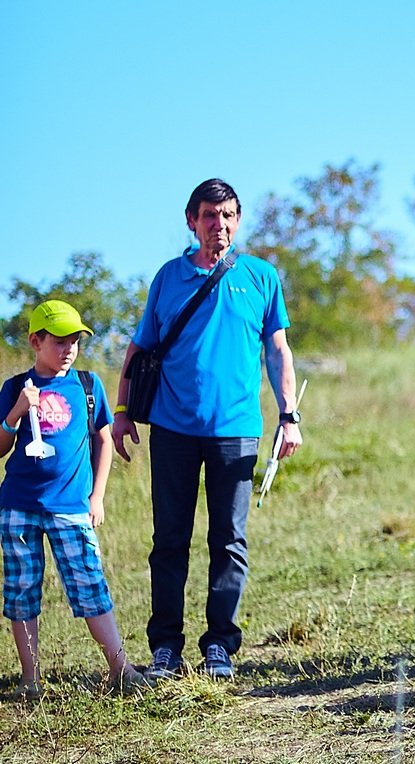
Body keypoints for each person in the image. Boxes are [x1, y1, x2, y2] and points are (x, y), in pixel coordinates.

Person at [113, 179, 303, 680]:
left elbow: (278, 350)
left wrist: (290, 416)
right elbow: (139, 349)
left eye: (227, 216)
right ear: (191, 221)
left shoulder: (261, 277)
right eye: (208, 215)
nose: (217, 225)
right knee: (169, 540)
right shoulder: (169, 277)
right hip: (173, 429)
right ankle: (165, 649)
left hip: (237, 429)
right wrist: (122, 411)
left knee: (230, 541)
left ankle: (220, 644)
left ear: (237, 221)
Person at [1, 300, 147, 696]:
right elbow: (0, 447)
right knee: (21, 591)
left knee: (89, 583)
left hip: (71, 507)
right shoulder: (15, 387)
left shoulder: (87, 384)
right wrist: (15, 412)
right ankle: (30, 680)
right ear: (35, 341)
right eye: (59, 341)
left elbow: (103, 437)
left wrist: (97, 496)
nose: (69, 349)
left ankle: (121, 669)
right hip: (19, 507)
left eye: (75, 342)